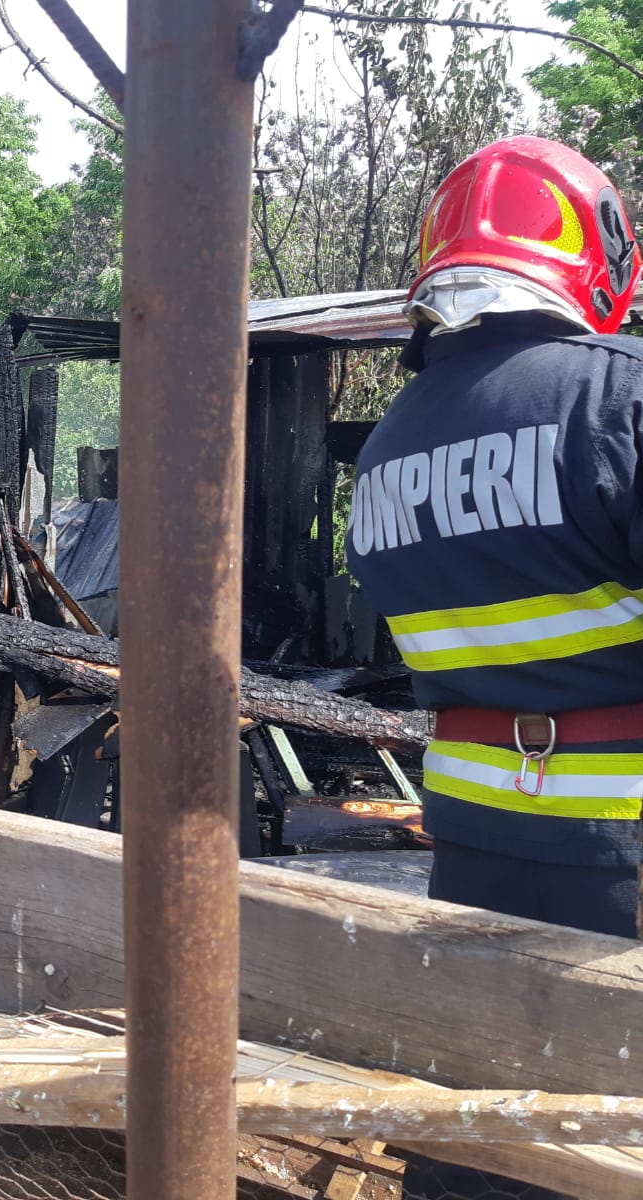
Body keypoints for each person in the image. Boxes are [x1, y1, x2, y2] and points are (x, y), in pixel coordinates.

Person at [346, 135, 642, 1200]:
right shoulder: (616, 399)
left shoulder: (387, 448)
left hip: (475, 835)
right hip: (624, 845)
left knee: (488, 1120)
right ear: (596, 252)